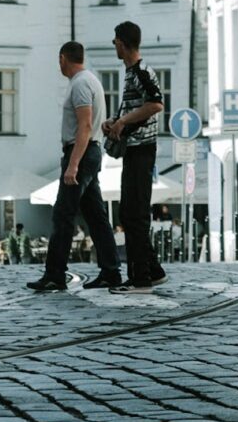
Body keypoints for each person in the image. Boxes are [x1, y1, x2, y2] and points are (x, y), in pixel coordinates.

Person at [28, 42, 121, 291]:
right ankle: (111, 271)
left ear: (63, 58)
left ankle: (55, 274)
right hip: (90, 151)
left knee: (63, 213)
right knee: (96, 216)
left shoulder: (80, 84)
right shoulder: (90, 80)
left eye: (58, 60)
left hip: (81, 151)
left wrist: (73, 165)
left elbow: (85, 126)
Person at [103, 21, 168, 294]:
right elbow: (136, 107)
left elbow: (155, 104)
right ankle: (152, 270)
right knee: (130, 211)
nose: (113, 45)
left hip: (142, 148)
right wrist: (115, 122)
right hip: (134, 148)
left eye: (116, 40)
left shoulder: (141, 71)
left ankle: (140, 277)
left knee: (135, 212)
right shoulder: (131, 73)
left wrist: (124, 121)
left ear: (124, 43)